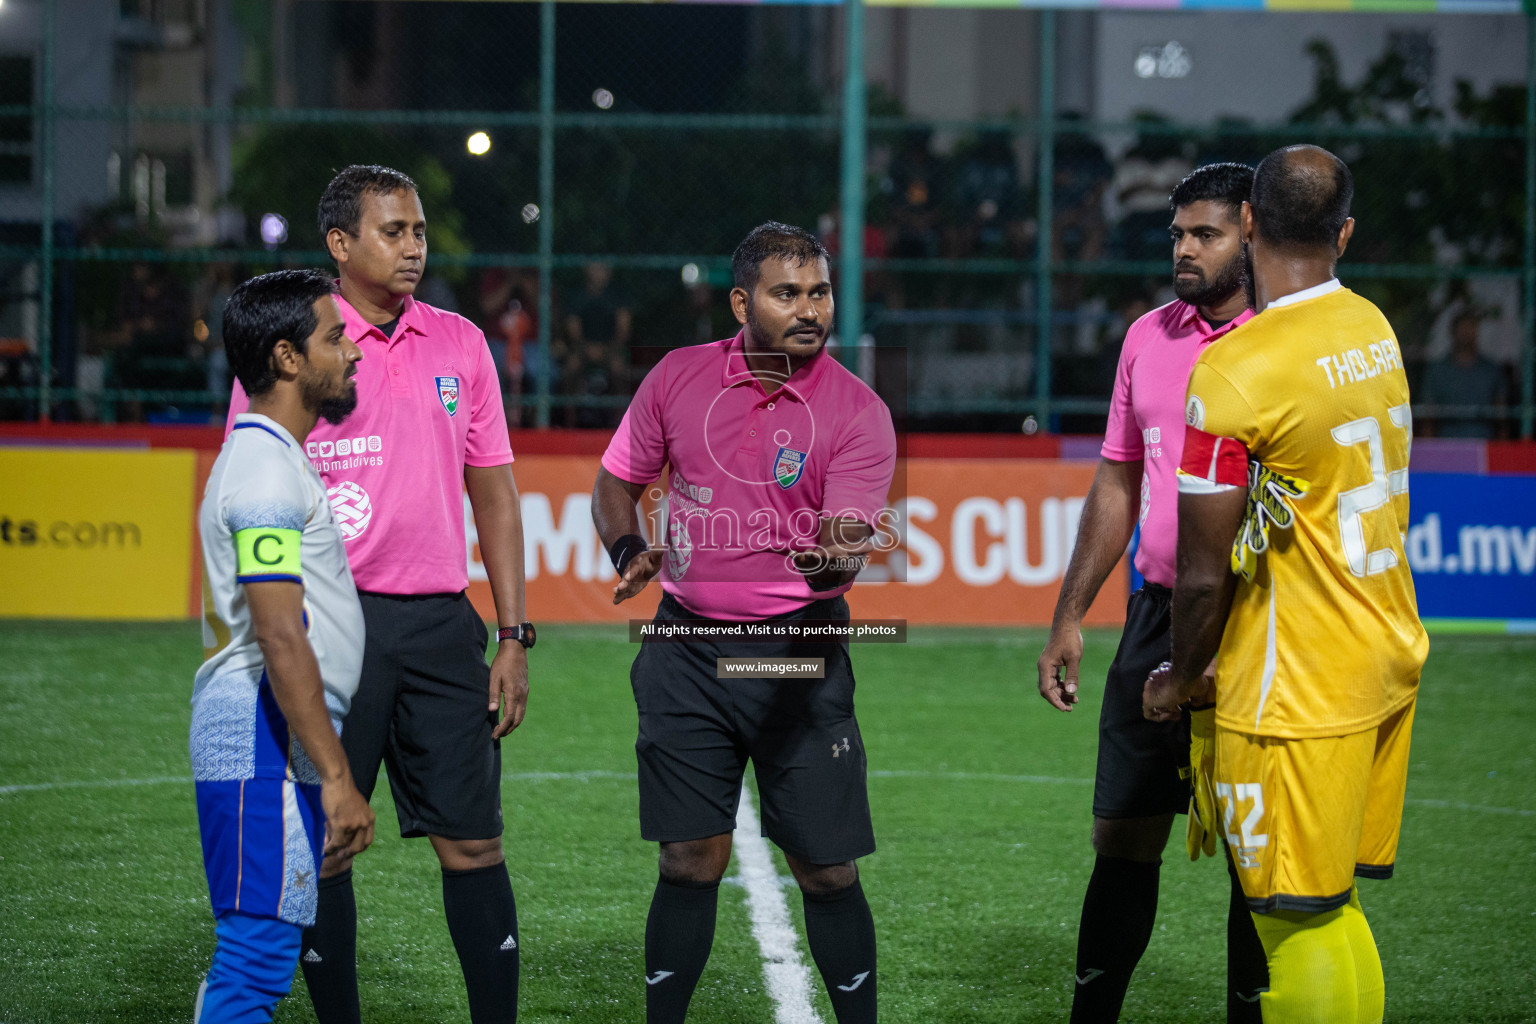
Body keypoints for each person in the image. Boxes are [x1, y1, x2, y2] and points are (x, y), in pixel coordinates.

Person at [226, 165, 532, 1024]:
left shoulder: (462, 344)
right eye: (392, 231)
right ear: (339, 244)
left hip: (440, 627)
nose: (412, 248)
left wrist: (512, 634)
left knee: (474, 843)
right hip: (329, 629)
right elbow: (255, 480)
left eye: (419, 231)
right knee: (327, 843)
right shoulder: (295, 347)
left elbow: (495, 490)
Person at [1145, 145, 1429, 1024]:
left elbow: (1199, 574)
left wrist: (1183, 676)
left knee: (1290, 923)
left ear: (1254, 224)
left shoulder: (1237, 370)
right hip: (1384, 655)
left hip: (1292, 685)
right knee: (1330, 906)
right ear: (1344, 232)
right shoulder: (1371, 327)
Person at [591, 222, 896, 1024]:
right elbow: (615, 480)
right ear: (741, 301)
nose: (809, 310)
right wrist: (629, 548)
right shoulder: (677, 377)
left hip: (799, 655)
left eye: (820, 292)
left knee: (826, 870)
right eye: (787, 293)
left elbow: (844, 550)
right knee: (689, 859)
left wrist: (827, 559)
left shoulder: (859, 413)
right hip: (684, 647)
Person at [1037, 162, 1268, 1023]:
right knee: (1123, 834)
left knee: (1259, 851)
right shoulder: (1148, 337)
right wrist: (1068, 617)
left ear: (1252, 231)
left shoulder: (1284, 345)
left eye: (1204, 234)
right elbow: (1117, 484)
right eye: (1177, 233)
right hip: (1154, 613)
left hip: (1257, 623)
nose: (1184, 249)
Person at [192, 269, 373, 1022]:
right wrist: (336, 776)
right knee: (257, 953)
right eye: (334, 336)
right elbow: (277, 629)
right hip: (258, 732)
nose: (353, 350)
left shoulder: (272, 455)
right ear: (288, 357)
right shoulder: (265, 468)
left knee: (262, 947)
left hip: (275, 734)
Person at [1422, 311, 1506, 438]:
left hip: (1483, 441)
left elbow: (1501, 413)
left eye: (1471, 327)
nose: (1467, 333)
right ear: (1453, 331)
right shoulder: (1438, 370)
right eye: (1463, 328)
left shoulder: (1491, 370)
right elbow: (1428, 414)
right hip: (1447, 442)